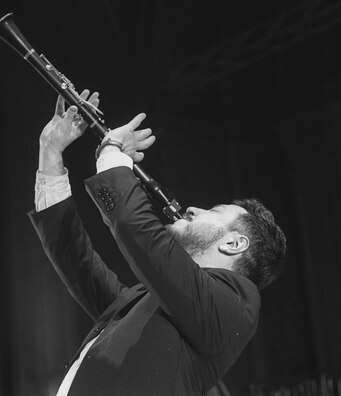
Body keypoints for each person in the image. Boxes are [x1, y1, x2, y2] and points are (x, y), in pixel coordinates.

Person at [28, 89, 287, 395]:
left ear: (235, 244)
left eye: (214, 211)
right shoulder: (153, 301)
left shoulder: (239, 301)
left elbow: (141, 234)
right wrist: (51, 151)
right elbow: (77, 262)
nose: (193, 209)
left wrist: (113, 153)